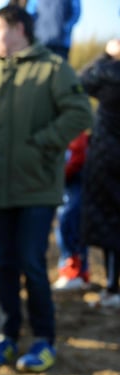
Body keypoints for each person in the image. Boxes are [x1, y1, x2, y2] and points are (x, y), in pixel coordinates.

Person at [0, 4, 92, 372]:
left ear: (18, 28)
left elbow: (81, 112)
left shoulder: (53, 68)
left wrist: (43, 143)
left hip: (36, 189)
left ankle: (43, 340)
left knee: (32, 264)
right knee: (2, 266)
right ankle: (7, 336)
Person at [80, 38, 120, 309]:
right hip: (108, 158)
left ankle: (111, 287)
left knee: (111, 224)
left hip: (109, 159)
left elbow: (82, 79)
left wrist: (106, 54)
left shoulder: (110, 74)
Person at [52, 130, 90, 290]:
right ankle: (75, 271)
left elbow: (77, 155)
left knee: (69, 223)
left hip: (73, 181)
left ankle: (74, 273)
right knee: (68, 224)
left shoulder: (76, 134)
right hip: (67, 182)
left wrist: (60, 174)